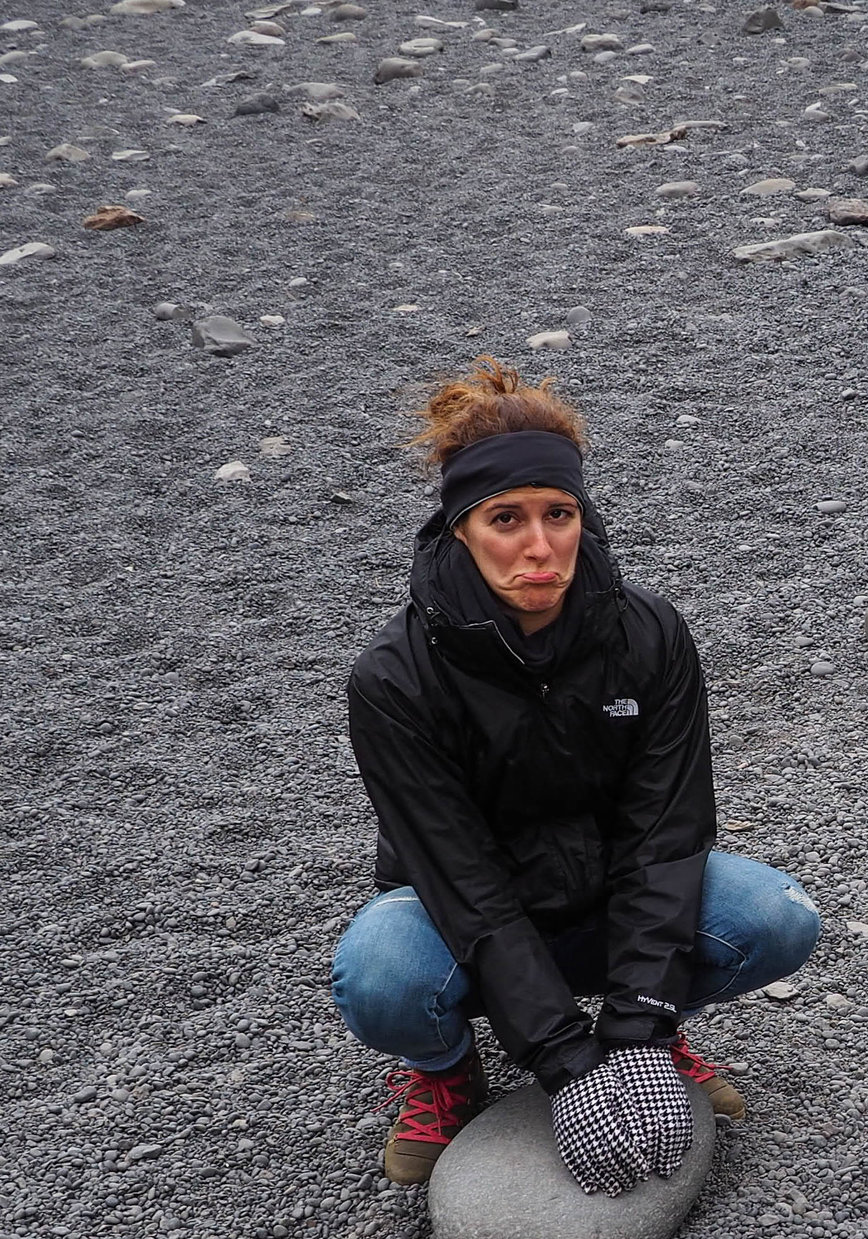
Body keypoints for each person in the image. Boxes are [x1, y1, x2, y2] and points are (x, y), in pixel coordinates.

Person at [331, 358, 821, 1193]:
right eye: (505, 518)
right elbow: (461, 878)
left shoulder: (649, 635)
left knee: (776, 917)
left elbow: (665, 837)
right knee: (381, 972)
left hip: (602, 898)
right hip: (459, 914)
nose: (539, 546)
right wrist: (563, 1056)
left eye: (559, 514)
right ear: (459, 527)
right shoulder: (394, 678)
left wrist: (633, 1029)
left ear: (583, 515)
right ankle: (445, 1068)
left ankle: (657, 1040)